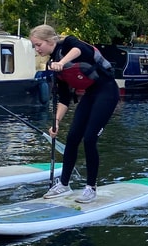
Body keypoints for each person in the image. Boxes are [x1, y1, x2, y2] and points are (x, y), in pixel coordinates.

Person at [28, 24, 119, 203]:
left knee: (90, 138)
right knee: (72, 137)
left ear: (49, 41)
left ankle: (91, 188)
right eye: (34, 46)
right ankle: (64, 185)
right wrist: (56, 122)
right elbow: (64, 98)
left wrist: (61, 63)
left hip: (107, 92)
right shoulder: (52, 65)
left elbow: (81, 49)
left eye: (38, 45)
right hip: (91, 94)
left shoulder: (69, 43)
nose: (36, 49)